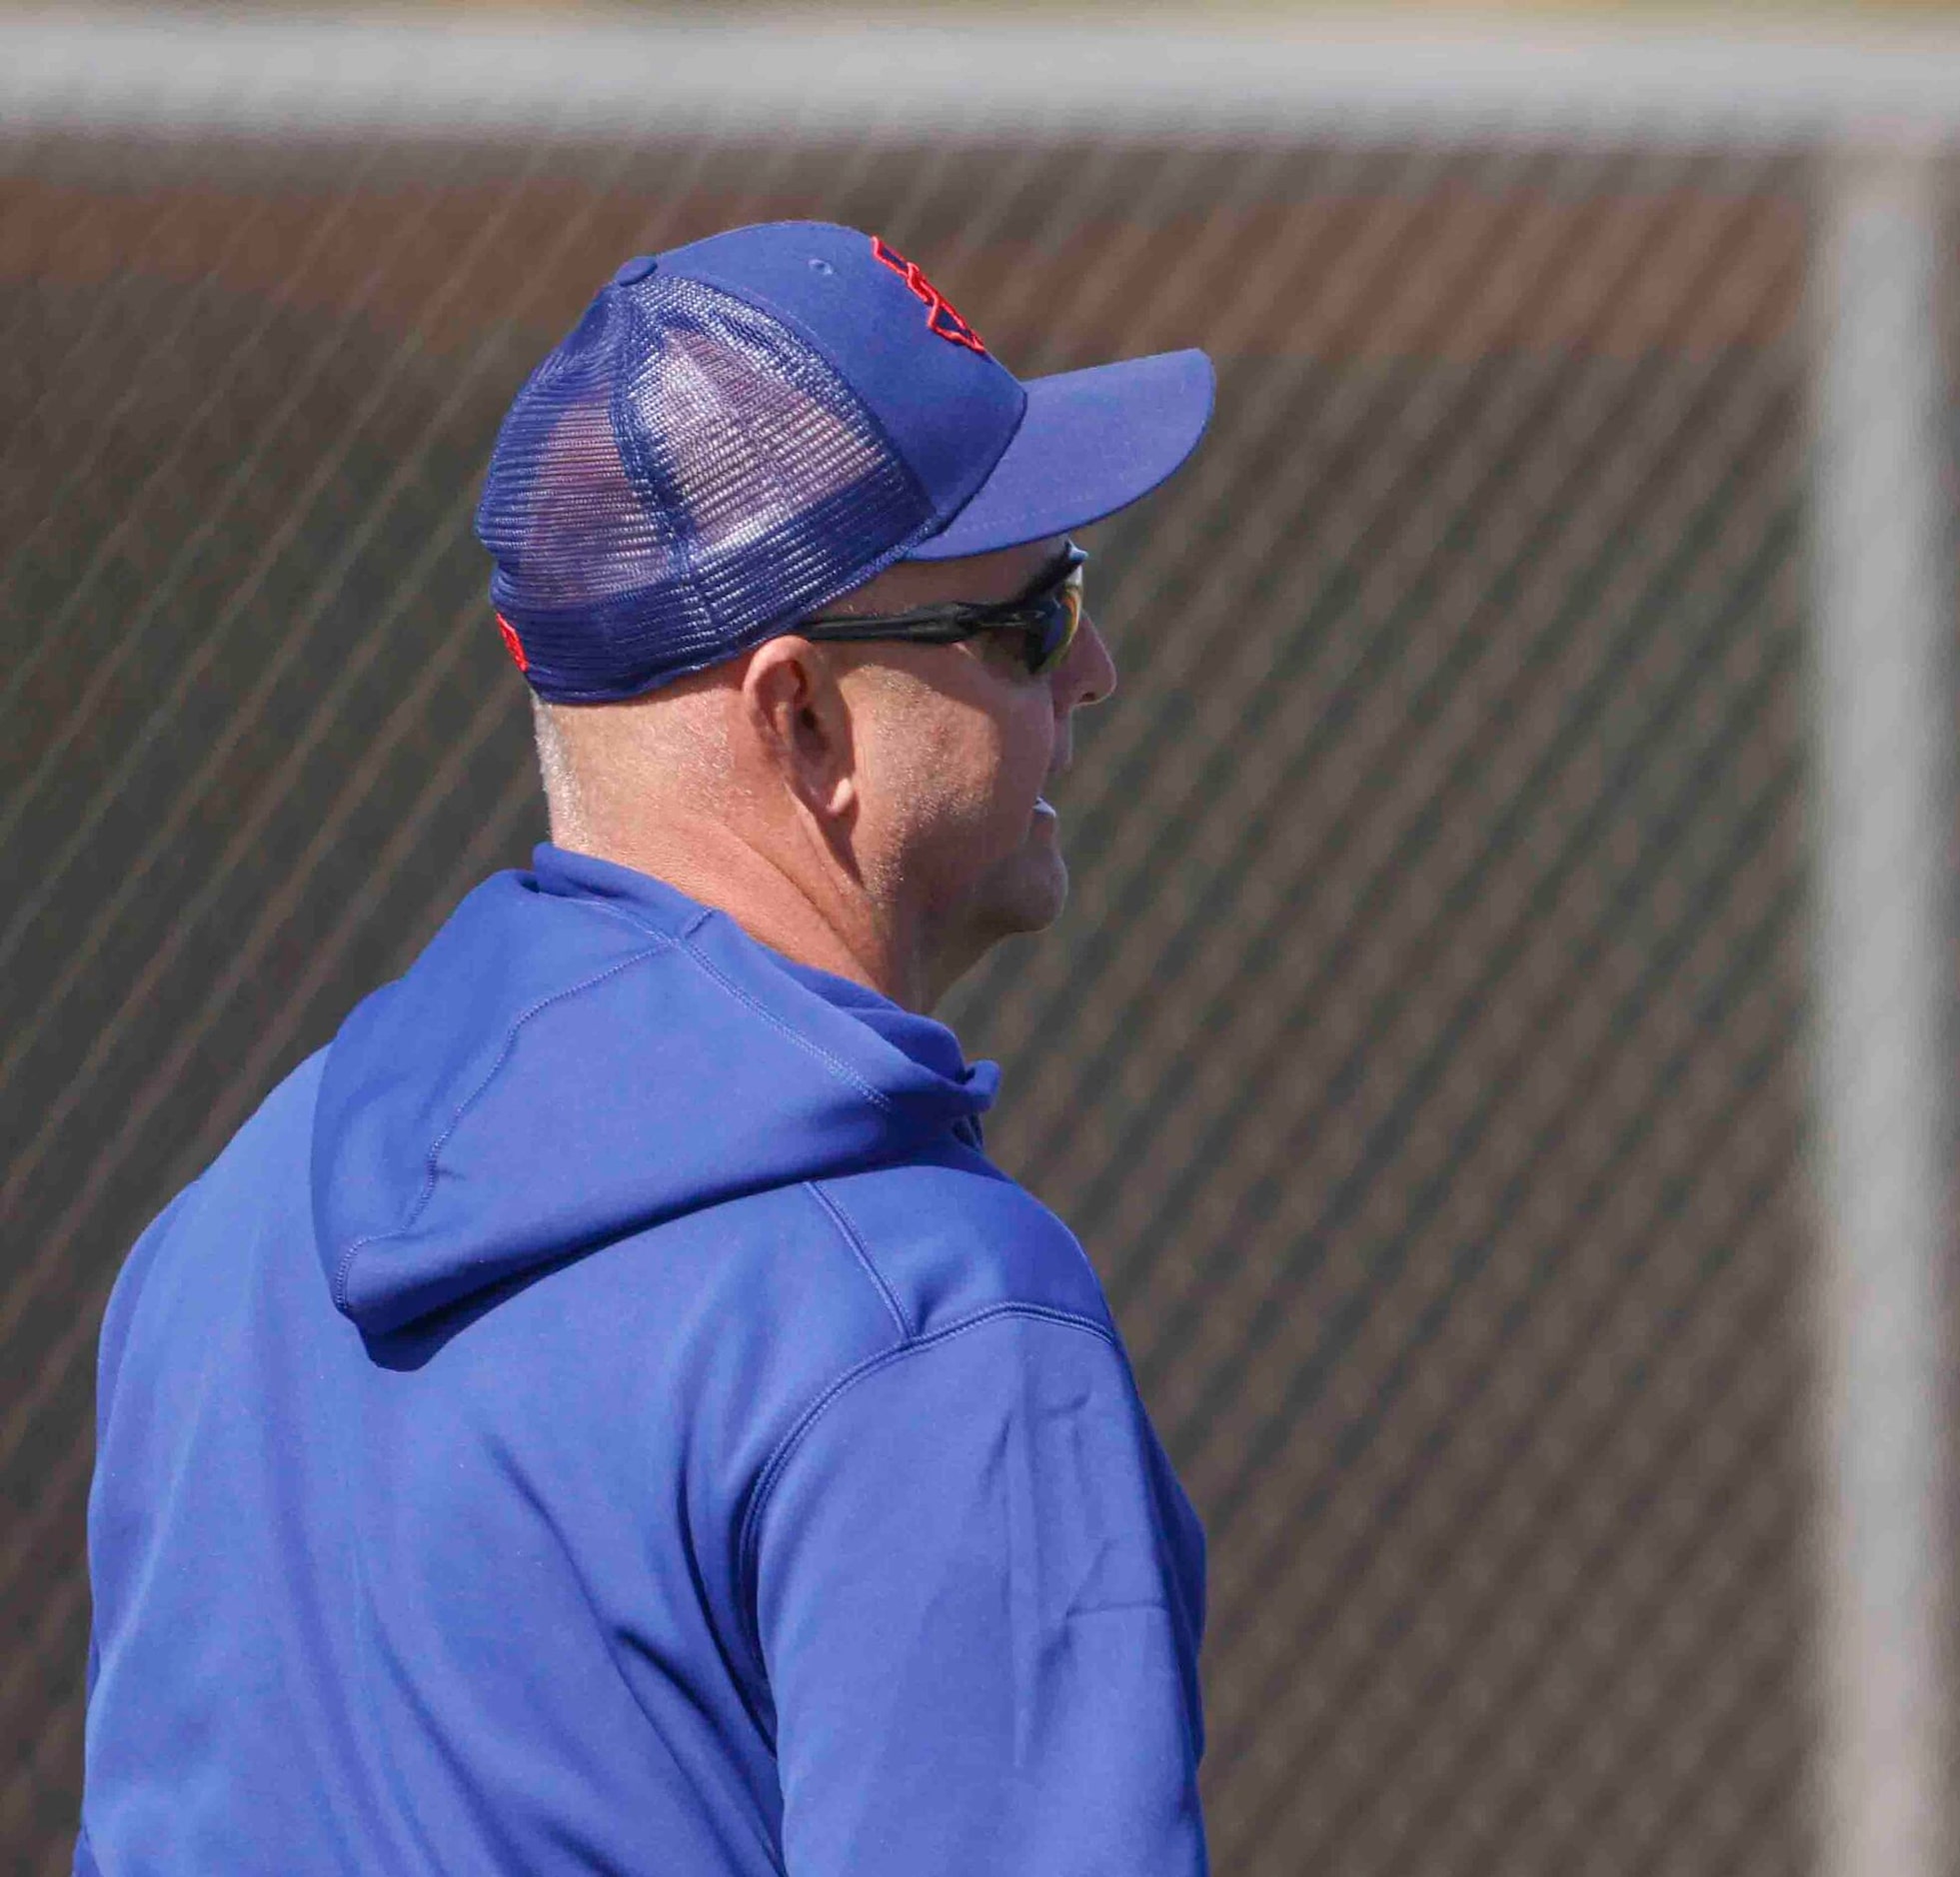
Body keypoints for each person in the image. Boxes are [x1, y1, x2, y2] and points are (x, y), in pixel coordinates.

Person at [83, 222, 1217, 1875]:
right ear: (802, 716)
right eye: (1029, 619)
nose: (1095, 672)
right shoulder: (928, 1322)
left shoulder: (229, 1232)